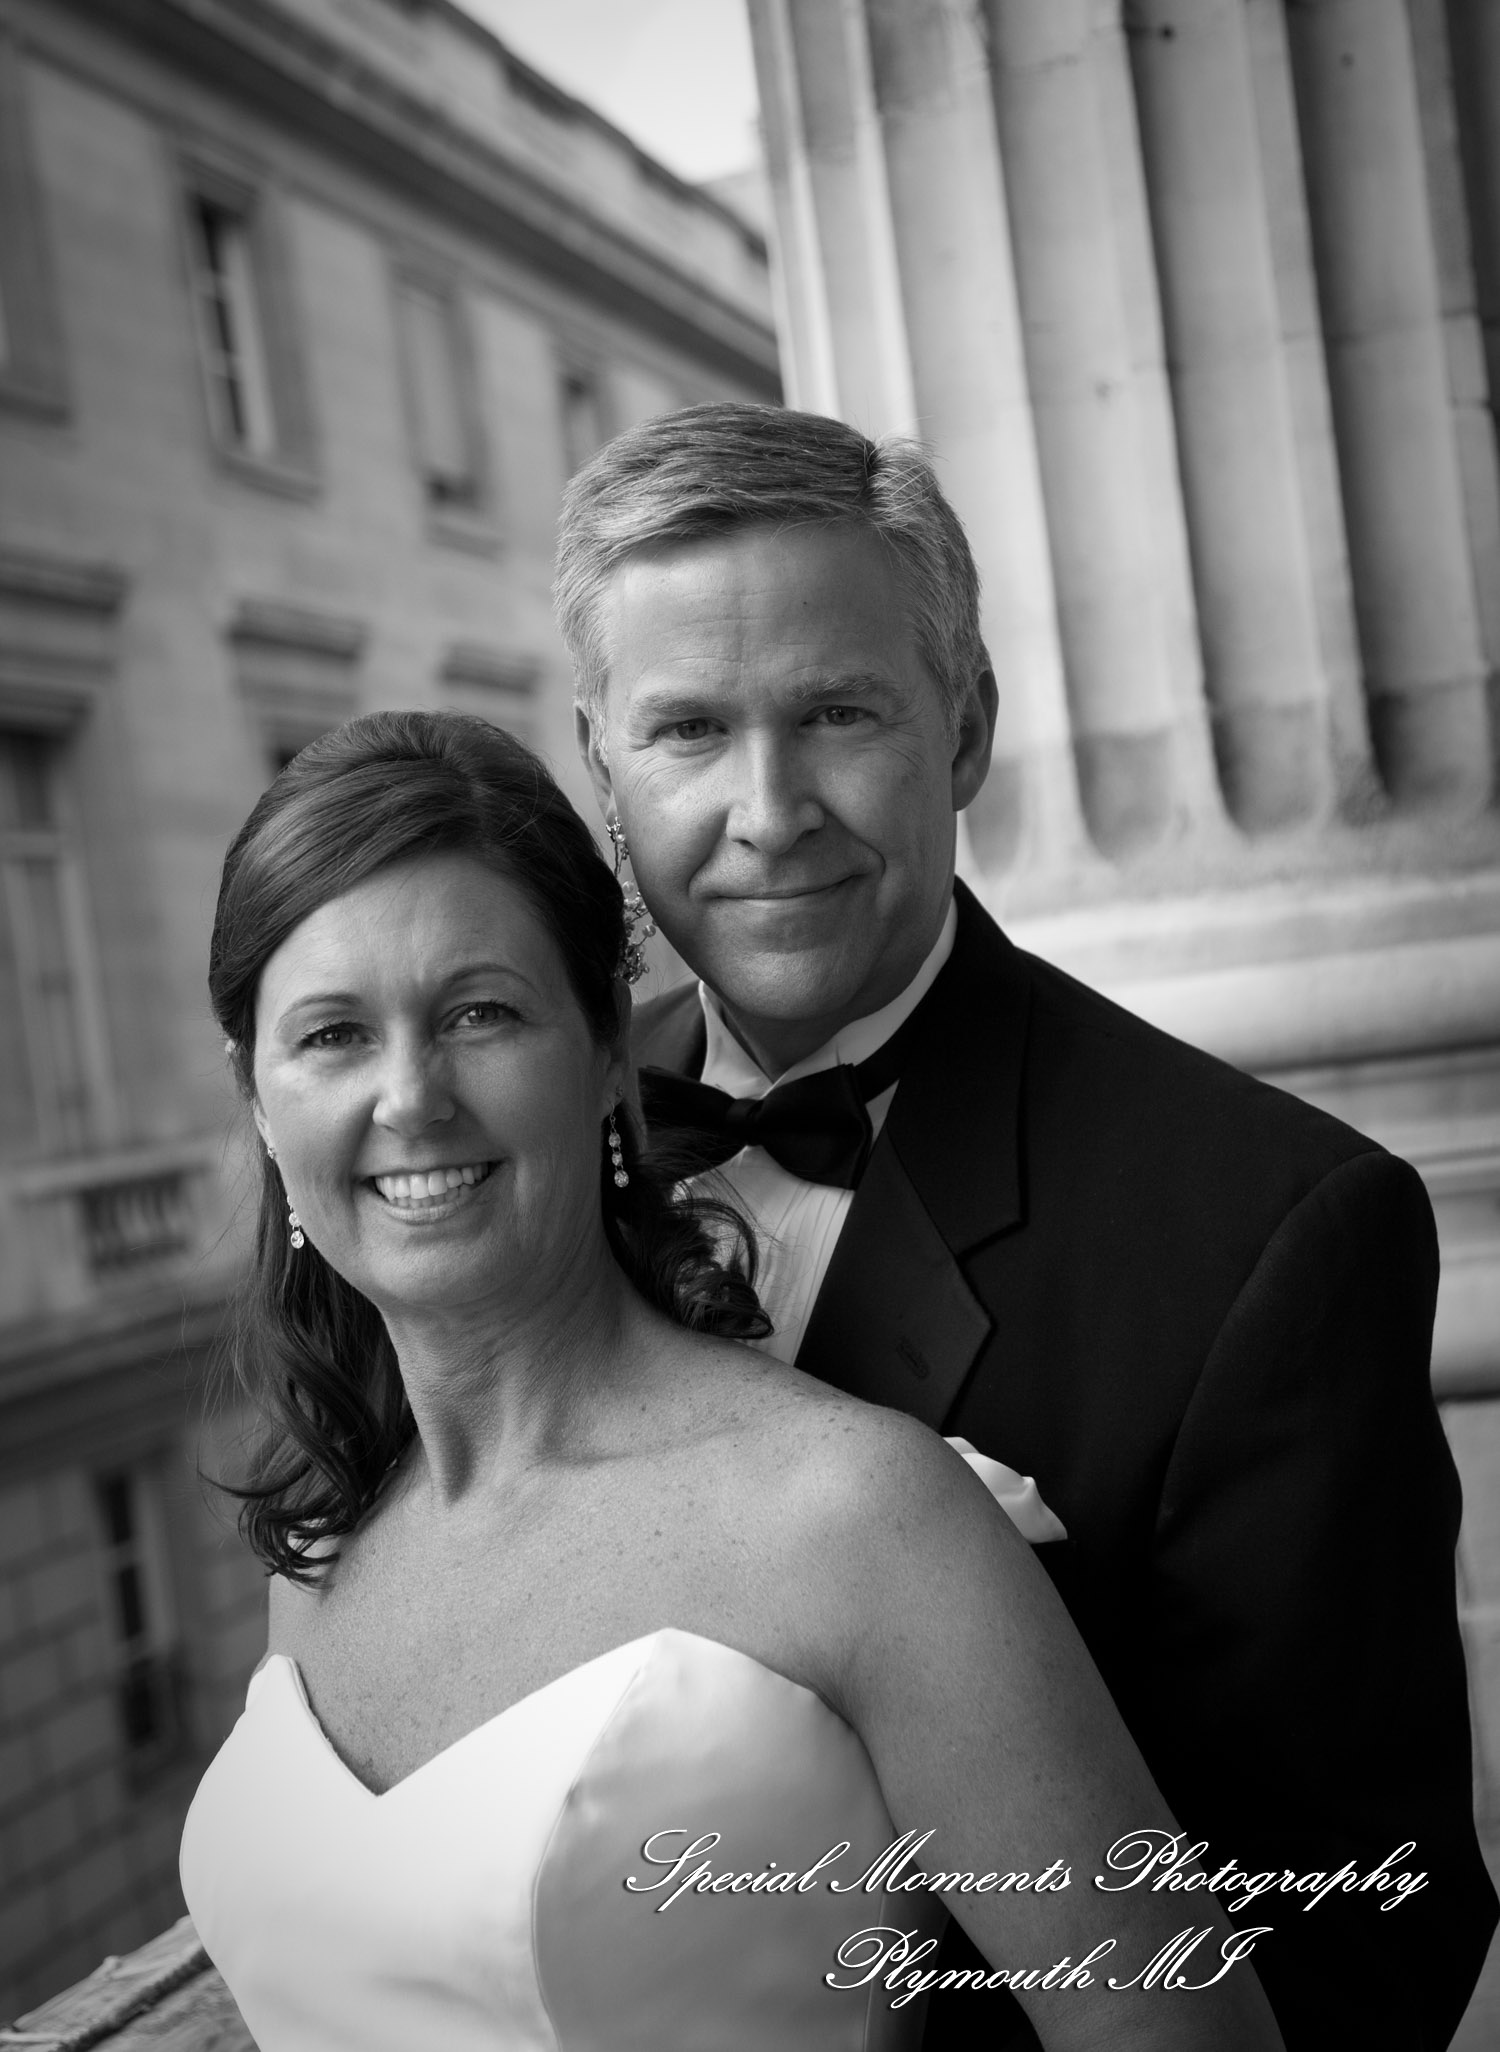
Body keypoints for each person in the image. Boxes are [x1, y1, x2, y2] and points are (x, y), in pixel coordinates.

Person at [559, 402, 1498, 2052]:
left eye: (838, 712)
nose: (769, 809)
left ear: (966, 728)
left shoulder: (1275, 1232)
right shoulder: (543, 1151)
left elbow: (1367, 1948)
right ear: (603, 774)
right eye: (690, 731)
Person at [178, 710, 1283, 2052]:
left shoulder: (859, 1518)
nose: (410, 1098)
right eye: (334, 1036)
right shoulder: (322, 1539)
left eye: (478, 1013)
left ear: (601, 1052)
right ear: (256, 1096)